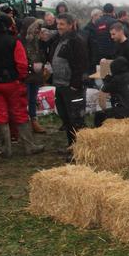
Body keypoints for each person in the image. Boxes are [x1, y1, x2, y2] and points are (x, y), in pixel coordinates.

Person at [0, 13, 43, 157]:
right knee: (19, 113)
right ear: (9, 25)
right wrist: (20, 78)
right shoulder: (14, 42)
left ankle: (5, 149)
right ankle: (29, 146)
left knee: (0, 115)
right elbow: (22, 64)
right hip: (13, 83)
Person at [48, 13, 89, 153]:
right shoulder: (59, 40)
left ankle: (81, 149)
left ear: (71, 25)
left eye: (62, 24)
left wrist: (74, 85)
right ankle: (71, 146)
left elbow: (80, 65)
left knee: (76, 119)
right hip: (59, 85)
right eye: (57, 24)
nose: (59, 27)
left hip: (72, 87)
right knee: (66, 119)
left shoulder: (76, 41)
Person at [93, 57, 129, 127]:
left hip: (122, 113)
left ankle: (98, 132)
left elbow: (102, 95)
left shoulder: (116, 80)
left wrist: (104, 110)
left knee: (99, 115)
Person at [20, 18, 47, 134]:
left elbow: (42, 55)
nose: (37, 30)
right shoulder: (21, 40)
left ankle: (33, 120)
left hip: (36, 74)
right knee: (24, 99)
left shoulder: (38, 40)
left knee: (32, 99)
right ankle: (23, 123)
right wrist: (30, 66)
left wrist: (43, 63)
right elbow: (20, 58)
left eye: (38, 28)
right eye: (35, 28)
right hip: (25, 74)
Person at [81, 8, 102, 74]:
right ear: (94, 16)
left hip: (101, 58)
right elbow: (85, 45)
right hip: (91, 59)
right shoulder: (87, 29)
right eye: (100, 16)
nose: (101, 18)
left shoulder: (101, 27)